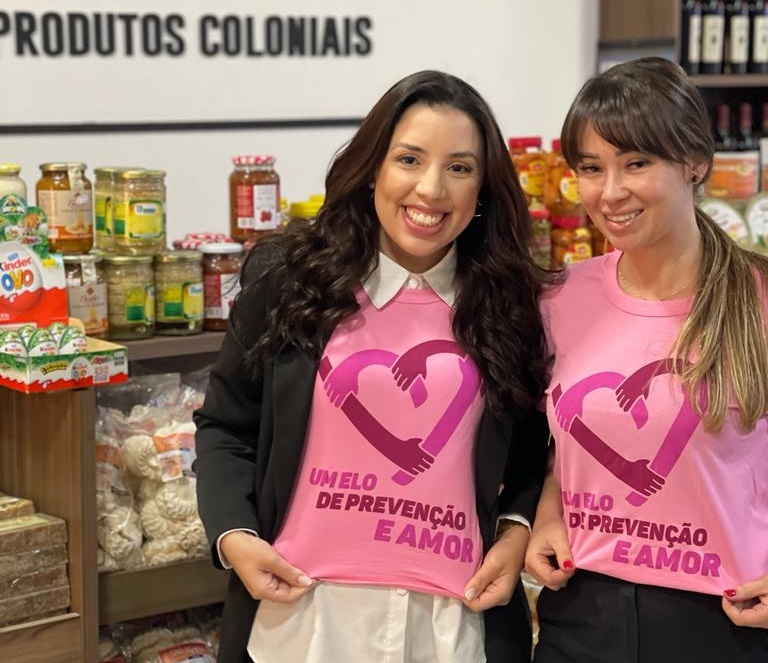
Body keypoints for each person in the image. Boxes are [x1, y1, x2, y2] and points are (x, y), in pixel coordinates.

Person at [193, 69, 551, 663]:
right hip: (303, 621)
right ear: (372, 169)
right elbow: (226, 426)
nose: (431, 189)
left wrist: (516, 528)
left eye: (460, 168)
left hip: (452, 626)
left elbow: (534, 446)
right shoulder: (290, 279)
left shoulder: (511, 303)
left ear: (484, 188)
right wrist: (234, 536)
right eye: (409, 159)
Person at [525, 56, 768, 663]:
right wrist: (547, 512)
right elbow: (553, 442)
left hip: (726, 623)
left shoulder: (759, 297)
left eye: (636, 163)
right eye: (591, 168)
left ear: (694, 162)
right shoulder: (558, 298)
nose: (611, 192)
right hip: (581, 615)